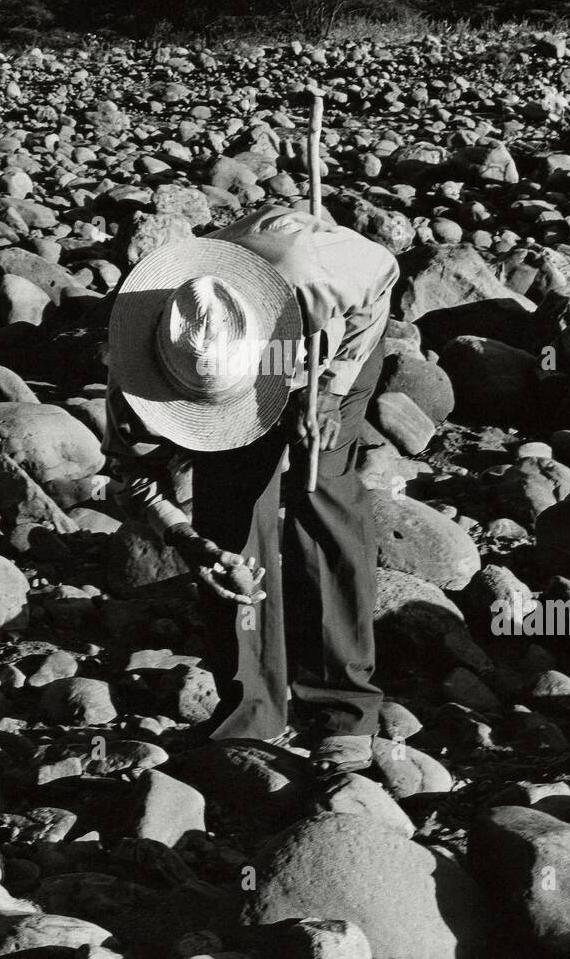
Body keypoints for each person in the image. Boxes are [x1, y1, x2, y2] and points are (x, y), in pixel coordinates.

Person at [103, 203, 398, 773]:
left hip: (321, 356)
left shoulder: (312, 272)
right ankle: (251, 711)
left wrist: (333, 391)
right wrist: (193, 546)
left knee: (321, 501)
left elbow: (381, 279)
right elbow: (132, 476)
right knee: (229, 523)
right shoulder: (143, 353)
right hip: (236, 367)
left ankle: (342, 711)